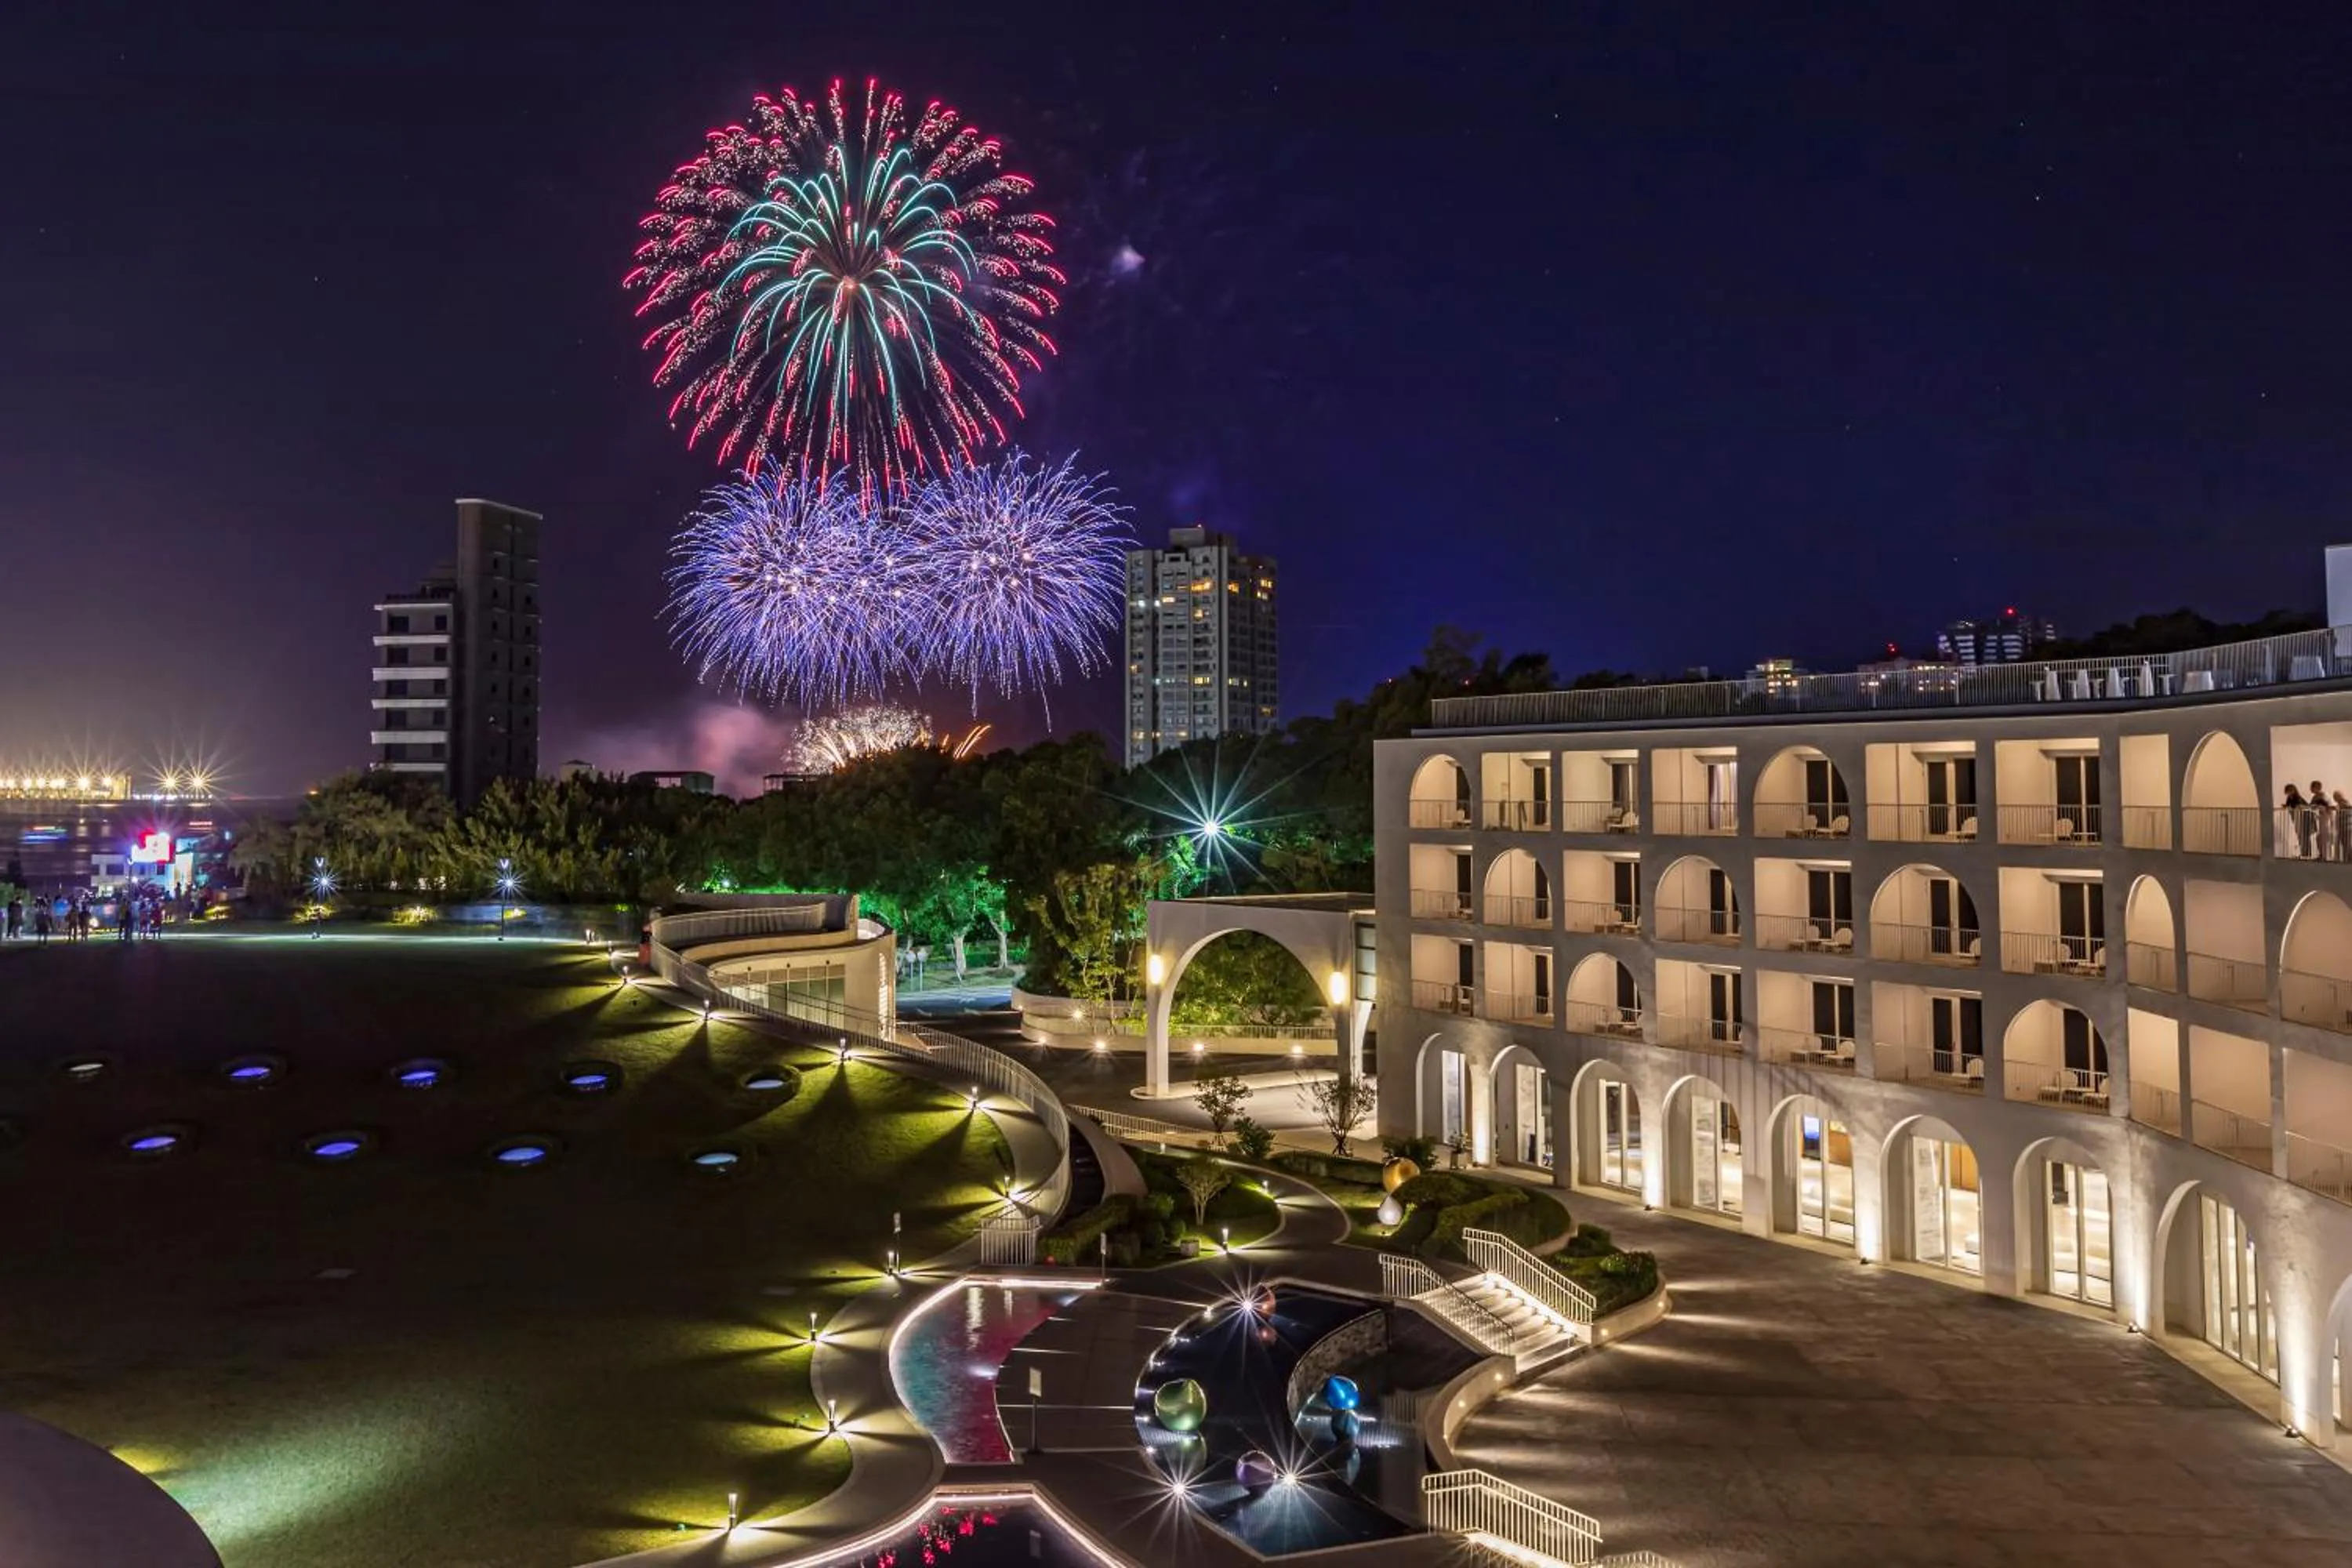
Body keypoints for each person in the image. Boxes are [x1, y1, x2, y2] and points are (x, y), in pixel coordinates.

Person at [2281, 783, 2308, 858]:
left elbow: (2301, 806)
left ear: (2292, 790)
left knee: (2302, 836)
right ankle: (2302, 852)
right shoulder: (2289, 798)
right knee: (2299, 835)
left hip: (2302, 818)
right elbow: (2289, 805)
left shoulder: (2298, 798)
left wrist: (2294, 808)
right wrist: (2286, 806)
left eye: (2288, 791)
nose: (2288, 793)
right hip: (2296, 818)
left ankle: (2305, 853)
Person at [2312, 781, 2333, 861]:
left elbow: (2330, 807)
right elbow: (2311, 805)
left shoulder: (2325, 796)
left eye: (2312, 787)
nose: (2311, 789)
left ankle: (2325, 856)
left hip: (2326, 819)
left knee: (2324, 838)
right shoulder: (2315, 797)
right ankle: (2322, 855)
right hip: (2320, 819)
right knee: (2319, 838)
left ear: (2317, 788)